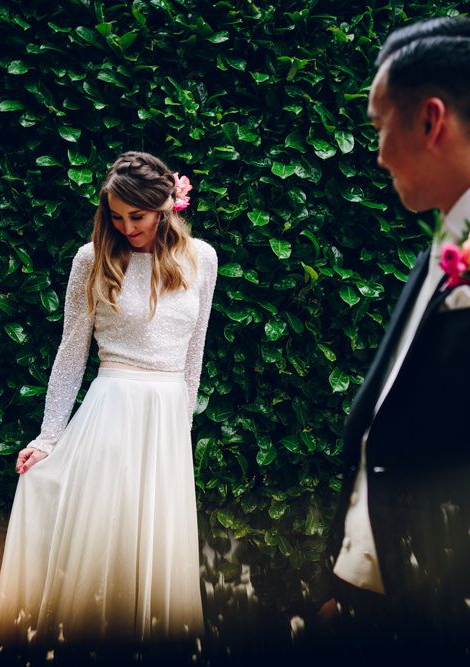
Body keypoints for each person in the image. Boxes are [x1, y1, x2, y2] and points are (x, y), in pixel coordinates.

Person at [0, 151, 218, 645]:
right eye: (116, 216)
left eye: (136, 216)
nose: (126, 226)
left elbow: (193, 353)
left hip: (165, 424)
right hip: (110, 412)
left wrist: (181, 426)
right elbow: (71, 351)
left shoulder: (202, 258)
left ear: (164, 206)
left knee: (153, 556)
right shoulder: (91, 258)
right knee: (100, 549)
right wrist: (49, 437)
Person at [319, 16, 470, 653]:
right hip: (387, 594)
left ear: (430, 120)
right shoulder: (444, 239)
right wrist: (351, 580)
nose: (377, 154)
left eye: (381, 128)